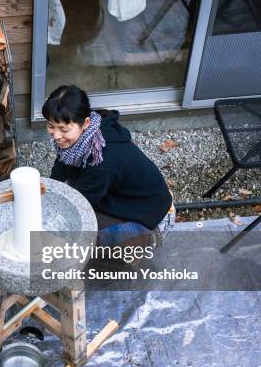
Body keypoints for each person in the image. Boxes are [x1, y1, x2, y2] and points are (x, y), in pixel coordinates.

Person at [44, 85, 174, 264]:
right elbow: (60, 171)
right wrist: (48, 196)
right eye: (51, 126)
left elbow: (80, 205)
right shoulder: (84, 136)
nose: (57, 136)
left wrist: (47, 225)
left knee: (75, 238)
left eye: (64, 129)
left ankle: (139, 244)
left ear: (86, 123)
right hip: (122, 198)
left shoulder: (102, 160)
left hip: (152, 218)